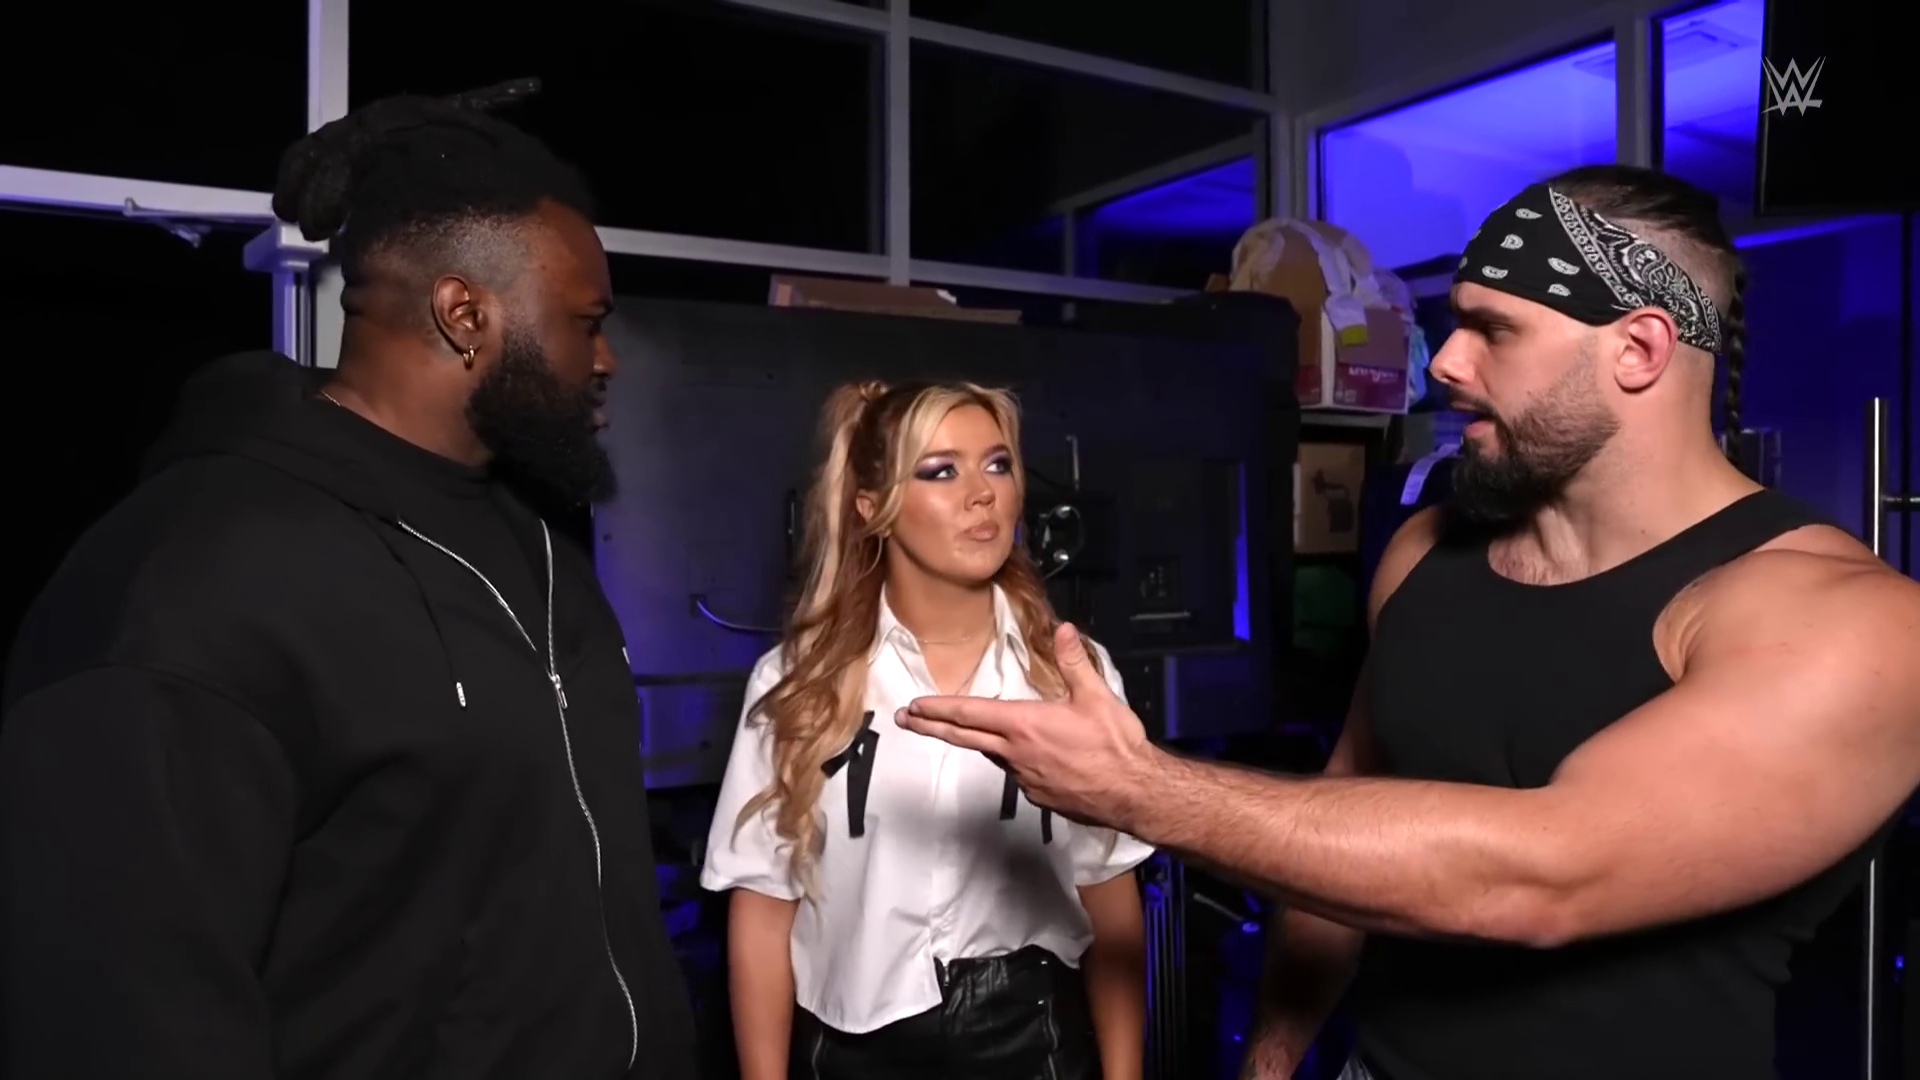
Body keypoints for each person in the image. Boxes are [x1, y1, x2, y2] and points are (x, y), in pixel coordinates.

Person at [895, 165, 1920, 1080]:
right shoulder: (1428, 548)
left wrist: (1141, 789)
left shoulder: (1849, 625)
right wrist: (1276, 1052)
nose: (1444, 362)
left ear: (1640, 349)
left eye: (1494, 330)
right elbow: (1345, 810)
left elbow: (1540, 877)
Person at [0, 81, 696, 1079]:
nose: (607, 359)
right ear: (465, 314)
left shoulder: (540, 549)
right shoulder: (188, 583)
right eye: (586, 322)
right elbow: (118, 1014)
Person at [701, 381, 1152, 1080]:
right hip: (850, 1052)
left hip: (1034, 1042)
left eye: (998, 464)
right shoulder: (795, 682)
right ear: (872, 506)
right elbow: (762, 908)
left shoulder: (1073, 676)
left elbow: (1111, 894)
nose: (983, 494)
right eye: (941, 471)